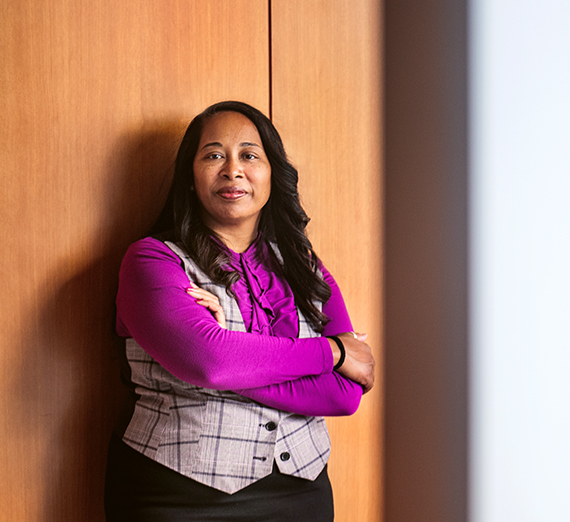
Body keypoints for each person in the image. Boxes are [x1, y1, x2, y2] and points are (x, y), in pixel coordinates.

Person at [104, 101, 375, 521]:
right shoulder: (151, 261)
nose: (233, 170)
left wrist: (233, 356)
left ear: (271, 175)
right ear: (190, 178)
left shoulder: (305, 269)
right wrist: (332, 352)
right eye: (214, 155)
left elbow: (343, 395)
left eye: (250, 155)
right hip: (176, 497)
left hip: (301, 495)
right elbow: (211, 362)